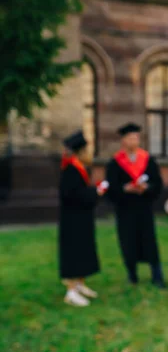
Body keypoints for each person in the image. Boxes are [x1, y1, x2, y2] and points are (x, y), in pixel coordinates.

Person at [105, 123, 166, 288]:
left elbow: (158, 183)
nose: (135, 140)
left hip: (144, 207)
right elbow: (110, 187)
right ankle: (132, 275)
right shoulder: (115, 162)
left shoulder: (147, 160)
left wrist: (147, 188)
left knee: (149, 241)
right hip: (125, 209)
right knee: (128, 241)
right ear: (123, 140)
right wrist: (125, 189)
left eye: (137, 137)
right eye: (131, 137)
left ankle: (157, 275)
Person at [58, 130, 104, 306]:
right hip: (72, 220)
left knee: (83, 250)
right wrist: (95, 192)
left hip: (82, 217)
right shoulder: (70, 169)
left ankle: (80, 284)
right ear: (82, 151)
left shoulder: (80, 167)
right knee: (73, 252)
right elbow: (70, 194)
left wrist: (93, 193)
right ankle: (71, 291)